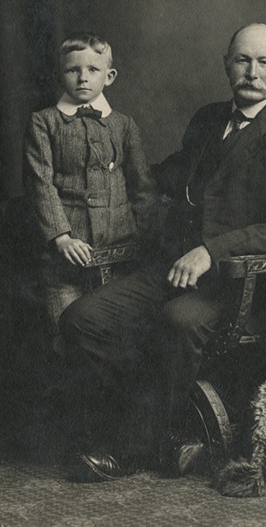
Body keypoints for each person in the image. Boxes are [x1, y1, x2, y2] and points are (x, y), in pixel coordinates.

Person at [59, 23, 266, 481]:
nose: (252, 71)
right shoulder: (208, 118)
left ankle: (131, 448)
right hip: (171, 265)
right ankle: (152, 429)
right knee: (83, 319)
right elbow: (166, 175)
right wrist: (91, 175)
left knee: (178, 321)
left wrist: (213, 251)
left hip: (243, 284)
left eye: (264, 62)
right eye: (242, 60)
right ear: (227, 64)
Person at [24, 33, 156, 346]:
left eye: (93, 70)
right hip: (64, 260)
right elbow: (39, 183)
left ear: (109, 76)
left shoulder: (123, 124)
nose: (83, 77)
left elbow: (143, 186)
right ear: (59, 76)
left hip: (121, 255)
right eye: (73, 70)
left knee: (118, 341)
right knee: (68, 338)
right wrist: (61, 236)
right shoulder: (44, 122)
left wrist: (144, 237)